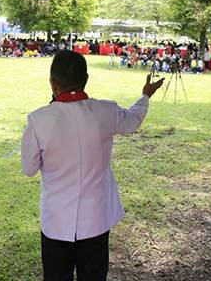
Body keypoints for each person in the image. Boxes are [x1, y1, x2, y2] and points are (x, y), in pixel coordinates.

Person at [21, 50, 164, 281]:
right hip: (95, 220)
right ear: (86, 80)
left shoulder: (38, 120)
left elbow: (29, 169)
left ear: (52, 83)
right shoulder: (105, 111)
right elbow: (132, 120)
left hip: (56, 222)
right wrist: (145, 96)